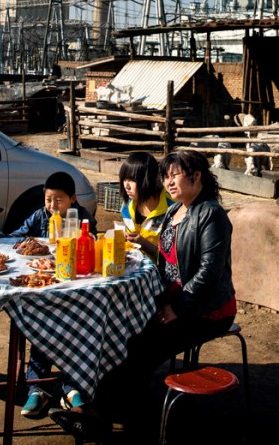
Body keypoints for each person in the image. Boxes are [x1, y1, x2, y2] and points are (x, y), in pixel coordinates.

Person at [53, 149, 235, 441]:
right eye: (166, 177)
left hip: (207, 311)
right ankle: (100, 410)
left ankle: (121, 418)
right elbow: (166, 259)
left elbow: (208, 275)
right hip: (173, 300)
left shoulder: (210, 215)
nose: (169, 182)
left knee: (141, 344)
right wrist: (144, 250)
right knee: (124, 331)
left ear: (196, 176)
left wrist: (177, 308)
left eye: (175, 175)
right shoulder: (176, 211)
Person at [6, 170, 97, 417]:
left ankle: (72, 387)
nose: (52, 205)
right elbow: (18, 238)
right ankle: (37, 387)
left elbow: (92, 245)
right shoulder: (40, 216)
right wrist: (4, 238)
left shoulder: (82, 219)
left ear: (73, 199)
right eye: (48, 199)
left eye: (59, 200)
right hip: (43, 283)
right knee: (40, 325)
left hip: (74, 287)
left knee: (76, 328)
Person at [118, 151, 170, 262]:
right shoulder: (126, 206)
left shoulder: (172, 209)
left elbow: (175, 259)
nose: (126, 185)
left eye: (132, 180)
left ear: (148, 180)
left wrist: (145, 244)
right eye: (124, 179)